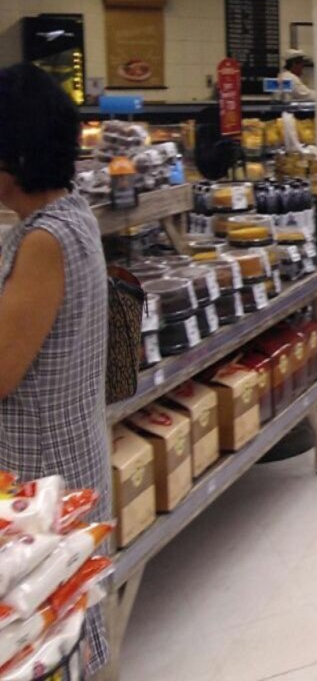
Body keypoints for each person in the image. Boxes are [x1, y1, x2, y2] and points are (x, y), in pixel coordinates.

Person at [0, 64, 110, 671]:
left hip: (42, 473)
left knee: (42, 632)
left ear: (14, 157)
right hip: (70, 452)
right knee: (66, 620)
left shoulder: (44, 241)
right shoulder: (72, 214)